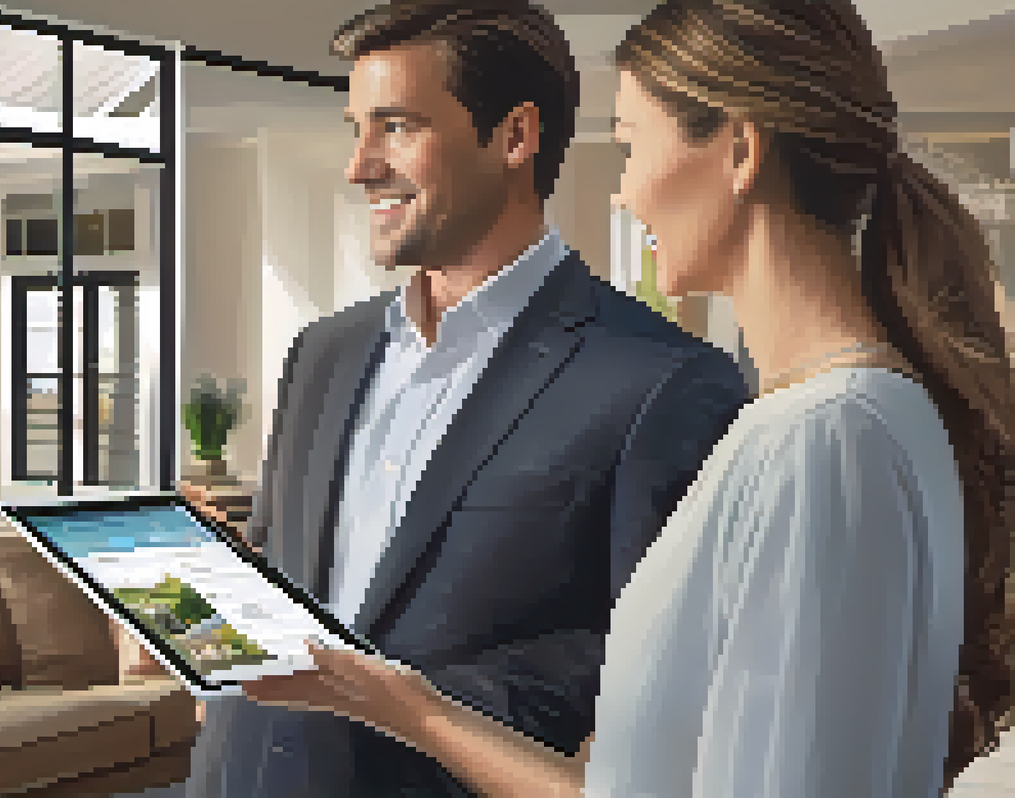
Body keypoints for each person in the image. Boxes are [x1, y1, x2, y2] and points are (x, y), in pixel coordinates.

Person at [237, 0, 1015, 795]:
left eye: (632, 148)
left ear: (739, 149)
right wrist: (414, 710)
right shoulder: (847, 419)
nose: (623, 196)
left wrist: (419, 714)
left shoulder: (822, 438)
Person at [185, 2, 752, 796]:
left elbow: (655, 676)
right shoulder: (321, 354)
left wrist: (396, 699)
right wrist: (205, 620)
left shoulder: (662, 381)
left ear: (515, 137)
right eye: (358, 128)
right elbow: (286, 584)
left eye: (396, 127)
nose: (360, 166)